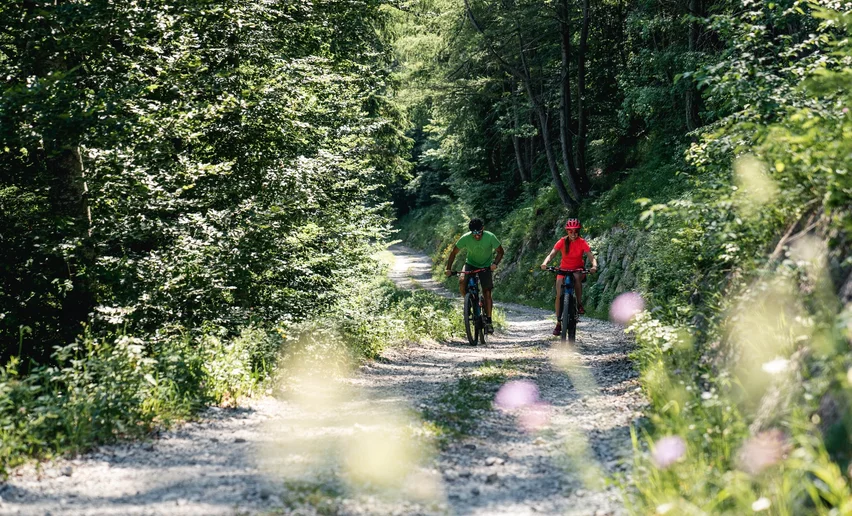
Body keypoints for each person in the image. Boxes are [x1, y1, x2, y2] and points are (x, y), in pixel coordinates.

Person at [444, 218, 504, 334]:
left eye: (479, 232)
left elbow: (500, 252)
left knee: (487, 292)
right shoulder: (466, 238)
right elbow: (453, 253)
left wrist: (495, 264)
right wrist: (448, 268)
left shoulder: (490, 237)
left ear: (483, 229)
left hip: (486, 266)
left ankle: (489, 320)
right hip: (470, 264)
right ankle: (468, 302)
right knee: (462, 281)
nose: (476, 236)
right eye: (474, 233)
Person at [540, 218, 598, 336]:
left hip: (577, 269)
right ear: (567, 231)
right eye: (570, 231)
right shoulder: (562, 241)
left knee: (577, 278)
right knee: (559, 294)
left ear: (578, 231)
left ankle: (579, 304)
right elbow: (552, 254)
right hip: (563, 269)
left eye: (575, 231)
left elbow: (591, 256)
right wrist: (545, 263)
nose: (573, 233)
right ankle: (558, 322)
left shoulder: (582, 242)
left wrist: (594, 266)